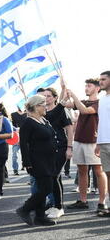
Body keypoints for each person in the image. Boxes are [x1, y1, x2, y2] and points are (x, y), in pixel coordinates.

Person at [64, 78, 108, 212]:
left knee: (98, 171)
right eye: (85, 86)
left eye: (89, 86)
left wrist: (74, 95)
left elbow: (85, 111)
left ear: (97, 88)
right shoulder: (83, 101)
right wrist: (64, 90)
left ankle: (102, 202)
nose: (86, 88)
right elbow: (65, 104)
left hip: (93, 141)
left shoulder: (99, 102)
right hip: (78, 140)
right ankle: (83, 200)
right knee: (82, 171)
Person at [16, 95, 58, 226]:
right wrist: (26, 162)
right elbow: (23, 144)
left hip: (49, 160)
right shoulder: (28, 122)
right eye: (43, 104)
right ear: (36, 106)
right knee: (46, 188)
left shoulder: (44, 120)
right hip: (37, 161)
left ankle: (40, 217)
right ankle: (25, 209)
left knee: (43, 188)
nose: (46, 106)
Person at [43, 87, 74, 219]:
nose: (46, 98)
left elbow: (69, 129)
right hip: (47, 149)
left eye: (49, 96)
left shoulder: (62, 111)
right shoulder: (42, 112)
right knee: (55, 177)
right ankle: (56, 204)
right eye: (44, 96)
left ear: (55, 98)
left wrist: (69, 147)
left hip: (61, 146)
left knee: (54, 175)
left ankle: (59, 207)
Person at [95, 71, 110, 217]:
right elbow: (101, 123)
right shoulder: (102, 99)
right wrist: (98, 142)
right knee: (109, 175)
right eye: (100, 79)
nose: (101, 82)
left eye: (104, 79)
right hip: (104, 142)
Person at [10, 107, 27, 175]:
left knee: (26, 153)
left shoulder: (27, 114)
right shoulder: (13, 114)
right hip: (16, 136)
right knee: (15, 154)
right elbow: (12, 125)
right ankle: (15, 169)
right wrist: (16, 129)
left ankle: (25, 164)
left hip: (25, 136)